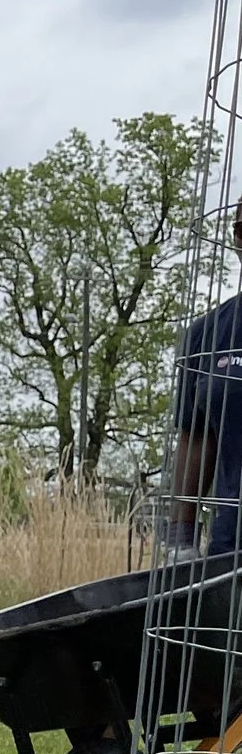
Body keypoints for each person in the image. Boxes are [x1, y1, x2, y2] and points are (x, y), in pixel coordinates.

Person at [170, 200, 242, 557]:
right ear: (238, 238)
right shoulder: (207, 335)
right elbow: (195, 437)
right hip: (230, 549)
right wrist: (180, 540)